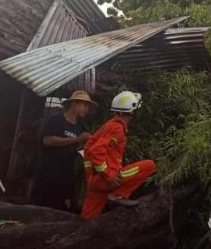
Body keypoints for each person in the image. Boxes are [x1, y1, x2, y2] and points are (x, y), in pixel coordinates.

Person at [81, 90, 157, 219]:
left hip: (96, 182)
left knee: (87, 219)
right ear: (129, 112)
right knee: (150, 165)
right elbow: (96, 151)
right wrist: (109, 176)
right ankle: (117, 195)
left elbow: (88, 148)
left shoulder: (109, 125)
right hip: (107, 180)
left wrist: (90, 176)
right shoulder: (117, 128)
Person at [31, 90, 94, 211]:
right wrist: (76, 139)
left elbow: (79, 148)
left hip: (66, 175)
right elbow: (48, 140)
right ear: (74, 104)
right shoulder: (56, 120)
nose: (86, 110)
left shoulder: (81, 127)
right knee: (40, 207)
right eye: (84, 106)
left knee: (60, 208)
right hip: (47, 172)